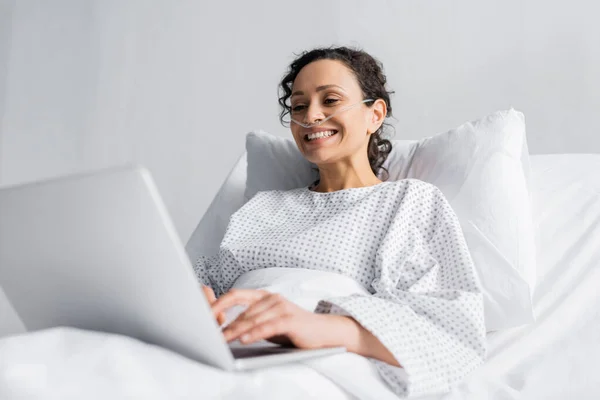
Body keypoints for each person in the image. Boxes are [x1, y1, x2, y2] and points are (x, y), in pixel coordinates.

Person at [195, 46, 486, 397]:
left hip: (316, 363)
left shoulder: (408, 202)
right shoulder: (262, 207)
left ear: (374, 114)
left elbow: (450, 333)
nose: (310, 116)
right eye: (299, 106)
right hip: (228, 348)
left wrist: (322, 327)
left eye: (330, 100)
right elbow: (212, 280)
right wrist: (195, 299)